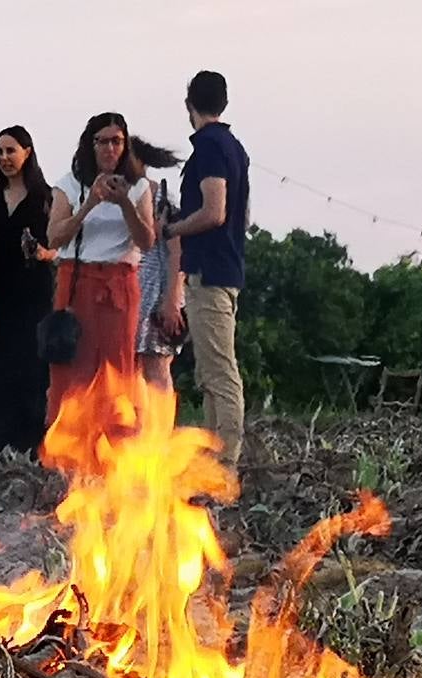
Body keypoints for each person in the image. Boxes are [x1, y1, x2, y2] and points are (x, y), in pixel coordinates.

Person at [45, 112, 155, 426]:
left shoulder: (138, 187)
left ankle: (115, 449)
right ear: (90, 145)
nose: (109, 148)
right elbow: (54, 237)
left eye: (116, 141)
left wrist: (125, 205)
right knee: (73, 368)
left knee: (117, 370)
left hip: (119, 284)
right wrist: (90, 203)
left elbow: (147, 241)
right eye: (102, 141)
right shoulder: (69, 184)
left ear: (125, 146)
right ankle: (69, 449)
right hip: (77, 279)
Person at [164, 71, 251, 465]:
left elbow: (215, 211)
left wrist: (172, 227)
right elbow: (241, 215)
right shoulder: (234, 147)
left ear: (189, 106)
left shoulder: (210, 148)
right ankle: (215, 461)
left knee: (219, 371)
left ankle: (227, 462)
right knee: (211, 373)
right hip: (224, 267)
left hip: (211, 272)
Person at [0, 125, 56, 459]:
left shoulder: (46, 195)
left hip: (34, 294)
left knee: (30, 371)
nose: (5, 158)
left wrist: (43, 253)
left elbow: (59, 247)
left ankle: (29, 448)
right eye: (0, 152)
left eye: (11, 151)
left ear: (27, 153)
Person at [129, 137, 186, 391]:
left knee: (156, 366)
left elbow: (177, 251)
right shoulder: (116, 197)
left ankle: (160, 428)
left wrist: (172, 298)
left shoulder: (161, 196)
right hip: (130, 292)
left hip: (157, 291)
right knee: (129, 370)